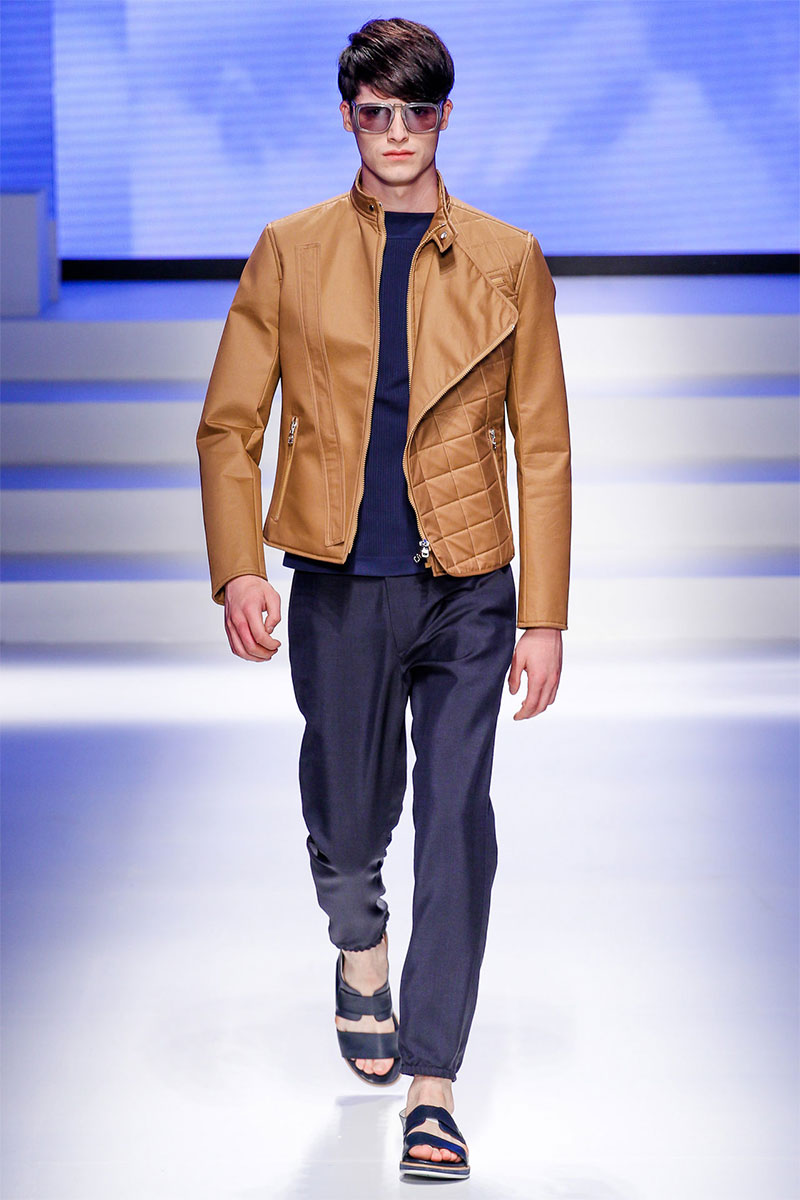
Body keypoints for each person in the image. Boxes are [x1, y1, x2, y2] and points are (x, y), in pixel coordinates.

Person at [196, 16, 571, 1182]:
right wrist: (238, 565)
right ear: (347, 116)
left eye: (416, 112)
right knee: (350, 823)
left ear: (444, 115)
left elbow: (542, 443)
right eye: (376, 112)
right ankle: (358, 943)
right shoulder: (290, 250)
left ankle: (432, 1086)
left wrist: (543, 613)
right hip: (338, 580)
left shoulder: (506, 257)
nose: (397, 133)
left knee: (456, 822)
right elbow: (229, 423)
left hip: (467, 588)